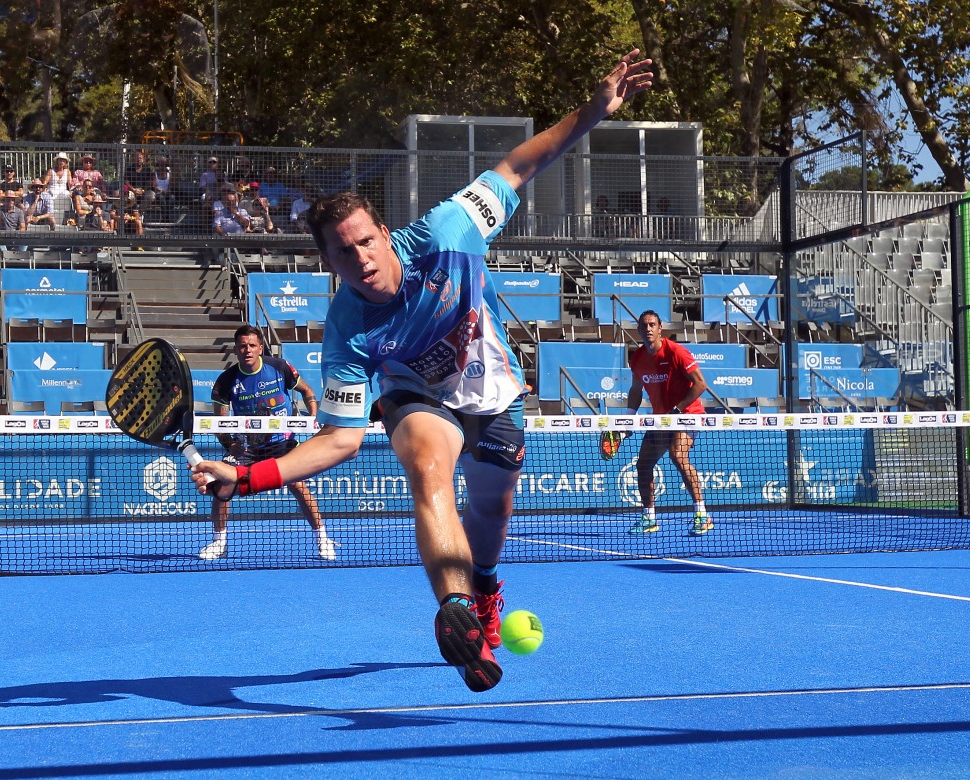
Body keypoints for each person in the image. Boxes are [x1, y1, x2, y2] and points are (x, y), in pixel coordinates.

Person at [190, 50, 655, 693]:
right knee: (429, 469)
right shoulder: (348, 329)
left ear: (384, 232)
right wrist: (244, 479)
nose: (360, 259)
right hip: (419, 397)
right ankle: (454, 608)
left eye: (365, 241)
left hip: (495, 392)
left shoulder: (450, 227)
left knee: (493, 511)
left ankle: (483, 591)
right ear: (329, 264)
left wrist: (594, 112)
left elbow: (522, 165)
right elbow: (340, 438)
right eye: (343, 253)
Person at [199, 325, 335, 562]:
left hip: (281, 443)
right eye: (242, 346)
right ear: (236, 349)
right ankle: (219, 542)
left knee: (299, 486)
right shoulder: (226, 381)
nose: (247, 350)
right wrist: (231, 445)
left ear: (260, 348)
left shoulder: (279, 368)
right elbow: (219, 423)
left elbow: (307, 391)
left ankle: (322, 538)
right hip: (247, 447)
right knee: (222, 487)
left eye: (252, 345)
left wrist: (313, 419)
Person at [624, 309, 713, 537]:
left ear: (660, 328)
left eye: (652, 324)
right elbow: (635, 390)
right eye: (644, 325)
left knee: (677, 455)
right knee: (643, 465)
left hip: (688, 414)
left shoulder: (676, 352)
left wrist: (677, 410)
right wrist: (628, 419)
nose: (648, 329)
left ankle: (702, 514)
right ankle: (649, 518)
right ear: (638, 330)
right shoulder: (637, 358)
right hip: (661, 418)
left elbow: (701, 384)